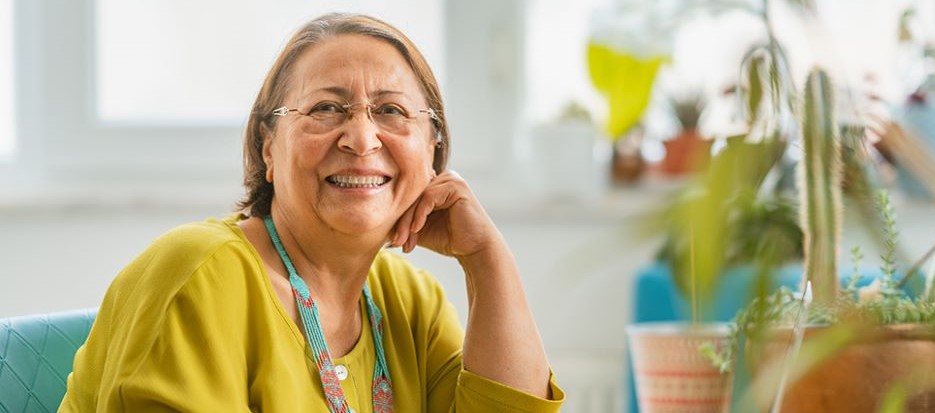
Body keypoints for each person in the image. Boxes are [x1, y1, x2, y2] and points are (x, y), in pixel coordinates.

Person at [59, 13, 563, 412]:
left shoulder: (410, 303)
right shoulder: (199, 275)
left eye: (391, 110)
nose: (362, 139)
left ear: (432, 149)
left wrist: (487, 259)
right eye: (326, 108)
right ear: (268, 149)